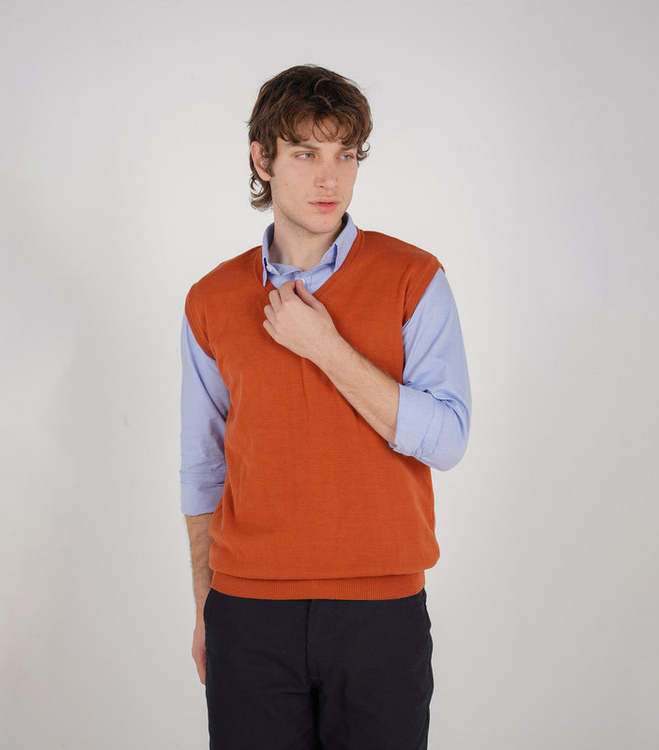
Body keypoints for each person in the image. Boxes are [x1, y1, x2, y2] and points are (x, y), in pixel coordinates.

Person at [180, 64, 471, 750]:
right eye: (306, 154)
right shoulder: (211, 299)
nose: (329, 178)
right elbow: (203, 468)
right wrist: (204, 607)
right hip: (248, 611)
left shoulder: (415, 278)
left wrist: (326, 348)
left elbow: (448, 438)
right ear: (263, 160)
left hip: (381, 612)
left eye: (345, 155)